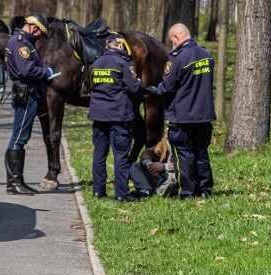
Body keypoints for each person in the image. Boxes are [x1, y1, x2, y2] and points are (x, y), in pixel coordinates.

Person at [146, 23, 215, 199]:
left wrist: (155, 90)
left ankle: (187, 192)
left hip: (183, 116)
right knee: (201, 152)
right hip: (204, 115)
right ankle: (205, 189)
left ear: (176, 38)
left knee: (185, 155)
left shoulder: (177, 58)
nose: (172, 45)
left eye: (171, 41)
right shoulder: (206, 55)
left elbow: (167, 86)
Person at [4, 12, 53, 195]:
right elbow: (26, 70)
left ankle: (18, 181)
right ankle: (13, 183)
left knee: (21, 138)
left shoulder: (25, 43)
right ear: (33, 27)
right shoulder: (19, 43)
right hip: (26, 94)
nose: (40, 35)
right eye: (40, 32)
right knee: (18, 138)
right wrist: (46, 72)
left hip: (29, 94)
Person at [88, 36, 142, 202]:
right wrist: (138, 81)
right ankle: (121, 193)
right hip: (118, 117)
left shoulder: (96, 63)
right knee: (120, 156)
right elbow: (133, 88)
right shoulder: (123, 63)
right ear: (119, 45)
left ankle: (98, 190)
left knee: (99, 154)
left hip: (98, 116)